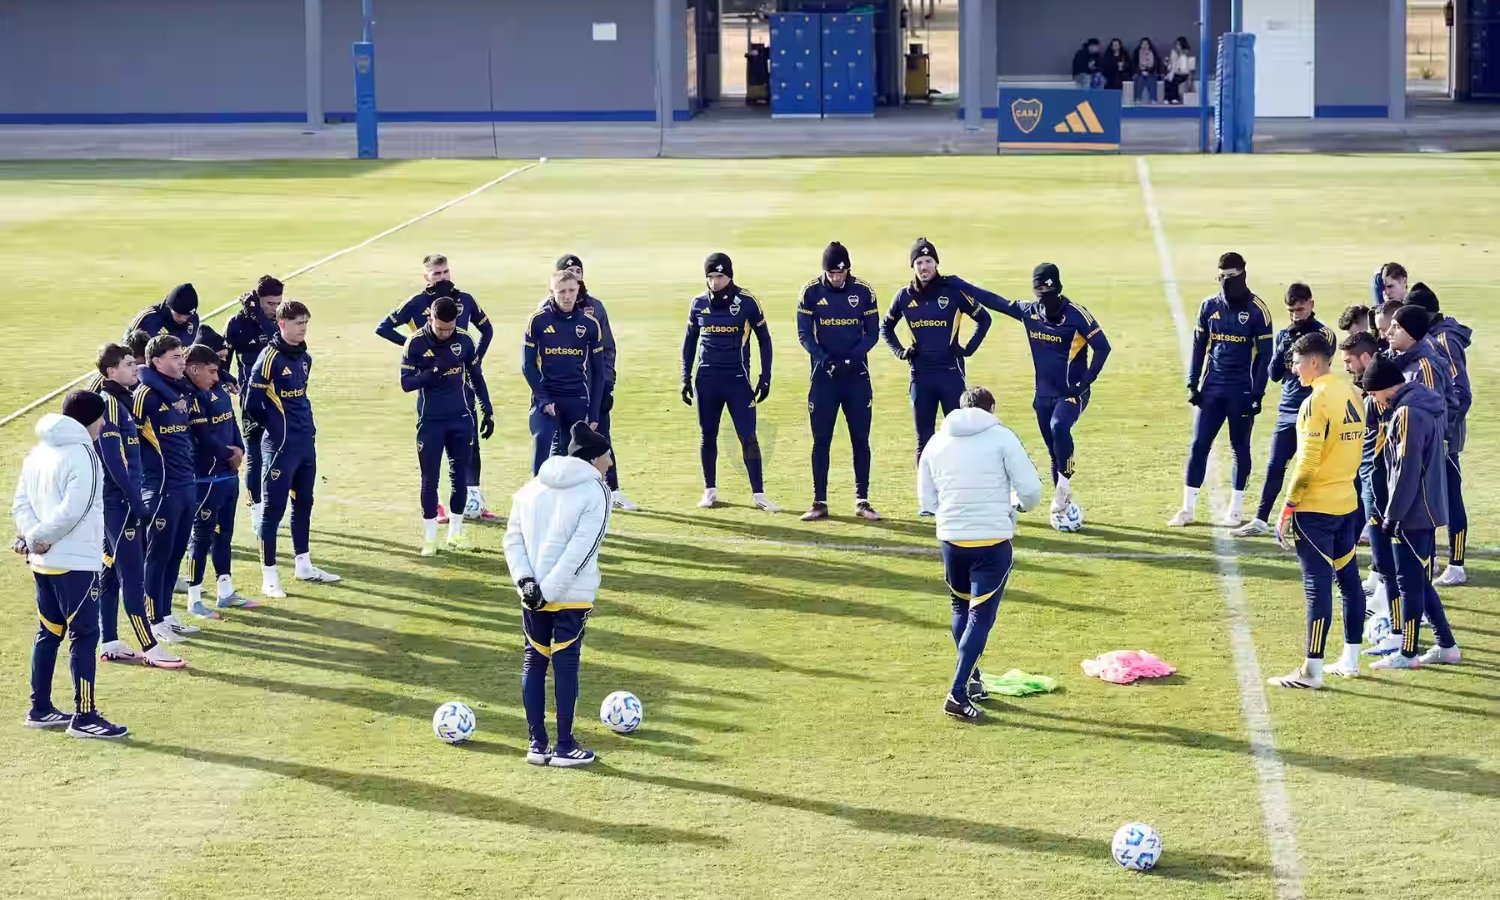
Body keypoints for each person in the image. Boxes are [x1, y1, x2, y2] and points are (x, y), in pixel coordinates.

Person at [917, 387, 1042, 722]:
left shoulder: (937, 441)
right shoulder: (1002, 437)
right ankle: (957, 692)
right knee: (981, 616)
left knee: (960, 607)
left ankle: (972, 680)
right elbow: (1031, 490)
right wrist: (1019, 506)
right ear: (992, 408)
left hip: (951, 540)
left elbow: (926, 499)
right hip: (991, 540)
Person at [12, 391, 128, 737]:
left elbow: (21, 502)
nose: (104, 424)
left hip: (43, 561)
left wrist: (33, 537)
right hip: (74, 561)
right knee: (85, 635)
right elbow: (77, 508)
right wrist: (41, 537)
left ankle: (40, 708)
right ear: (91, 418)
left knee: (48, 633)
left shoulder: (39, 451)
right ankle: (85, 716)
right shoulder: (84, 453)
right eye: (101, 417)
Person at [503, 422, 614, 767]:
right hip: (570, 595)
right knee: (566, 663)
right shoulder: (596, 491)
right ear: (593, 459)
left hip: (532, 594)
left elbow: (512, 539)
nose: (610, 462)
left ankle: (537, 745)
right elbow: (581, 551)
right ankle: (565, 746)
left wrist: (528, 585)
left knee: (534, 661)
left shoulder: (531, 487)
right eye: (607, 456)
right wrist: (548, 592)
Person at [1267, 334, 1369, 688]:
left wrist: (1288, 506)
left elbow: (1307, 463)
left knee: (1317, 585)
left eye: (1296, 363)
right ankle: (1350, 661)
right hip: (1348, 503)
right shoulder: (1351, 391)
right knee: (1349, 581)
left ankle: (1312, 671)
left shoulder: (1316, 402)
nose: (1294, 370)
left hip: (1316, 510)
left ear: (1313, 362)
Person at [975, 263, 1110, 517]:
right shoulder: (1030, 312)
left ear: (1058, 288)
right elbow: (995, 301)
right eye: (1041, 293)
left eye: (1051, 292)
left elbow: (1103, 347)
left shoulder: (1077, 314)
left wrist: (1084, 382)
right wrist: (957, 284)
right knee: (1053, 451)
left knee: (1059, 427)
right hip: (1043, 395)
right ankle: (1063, 503)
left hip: (1072, 392)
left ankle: (1063, 488)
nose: (1046, 298)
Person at [377, 254, 497, 523]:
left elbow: (487, 330)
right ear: (426, 277)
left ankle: (474, 499)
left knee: (470, 442)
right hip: (432, 386)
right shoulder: (416, 303)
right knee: (434, 449)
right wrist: (415, 350)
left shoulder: (464, 299)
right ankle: (439, 505)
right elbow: (383, 328)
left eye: (445, 272)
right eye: (436, 274)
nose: (442, 278)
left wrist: (475, 359)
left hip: (462, 380)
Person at [1360, 356, 1461, 669]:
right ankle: (1447, 646)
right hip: (1424, 507)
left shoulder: (1406, 413)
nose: (1375, 401)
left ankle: (1408, 653)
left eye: (1374, 393)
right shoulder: (1423, 404)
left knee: (1408, 582)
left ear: (1387, 387)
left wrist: (1393, 514)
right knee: (1419, 580)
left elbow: (1406, 468)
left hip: (1412, 511)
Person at [879, 238, 995, 498]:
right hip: (920, 377)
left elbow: (984, 318)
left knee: (959, 435)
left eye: (928, 261)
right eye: (919, 262)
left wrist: (968, 348)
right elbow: (885, 327)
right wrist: (900, 351)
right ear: (913, 266)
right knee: (925, 439)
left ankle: (959, 491)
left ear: (936, 263)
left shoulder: (953, 291)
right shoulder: (904, 296)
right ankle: (928, 497)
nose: (924, 267)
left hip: (951, 374)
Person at [93, 344, 183, 668]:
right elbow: (114, 462)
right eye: (129, 364)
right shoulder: (110, 405)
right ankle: (150, 647)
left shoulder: (122, 401)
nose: (136, 368)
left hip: (119, 501)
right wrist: (136, 502)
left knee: (109, 570)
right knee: (132, 575)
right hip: (119, 503)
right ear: (111, 371)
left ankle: (110, 641)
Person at [1169, 252, 1274, 527]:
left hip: (1242, 391)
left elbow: (1265, 356)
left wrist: (1258, 394)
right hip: (1212, 389)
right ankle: (1187, 509)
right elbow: (1198, 347)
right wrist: (1192, 383)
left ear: (1243, 274)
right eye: (1222, 276)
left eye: (1232, 276)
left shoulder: (1257, 311)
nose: (1226, 281)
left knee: (1240, 448)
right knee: (1198, 445)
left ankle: (1235, 510)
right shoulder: (1209, 306)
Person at [246, 300, 340, 599]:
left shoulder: (304, 358)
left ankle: (304, 565)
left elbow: (299, 398)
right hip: (280, 448)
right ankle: (269, 577)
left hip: (304, 445)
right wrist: (276, 430)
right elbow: (251, 404)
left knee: (304, 504)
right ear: (282, 323)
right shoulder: (269, 358)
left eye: (306, 323)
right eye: (299, 323)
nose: (303, 329)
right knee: (273, 511)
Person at [1236, 284, 1338, 537]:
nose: (1295, 315)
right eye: (1291, 311)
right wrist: (1284, 347)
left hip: (1314, 411)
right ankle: (1260, 519)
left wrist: (1297, 351)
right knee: (1275, 465)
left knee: (1310, 468)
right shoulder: (1284, 334)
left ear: (1311, 304)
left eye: (1300, 309)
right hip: (1287, 410)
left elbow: (1318, 367)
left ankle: (1304, 521)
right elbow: (1273, 374)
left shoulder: (1324, 334)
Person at [681, 252, 778, 511]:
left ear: (730, 276)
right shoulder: (698, 303)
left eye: (720, 277)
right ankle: (709, 491)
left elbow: (765, 339)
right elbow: (690, 342)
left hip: (737, 380)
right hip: (707, 380)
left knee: (748, 436)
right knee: (707, 435)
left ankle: (759, 494)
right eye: (711, 277)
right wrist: (685, 377)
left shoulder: (747, 302)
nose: (715, 282)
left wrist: (765, 377)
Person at [796, 241, 882, 522]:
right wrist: (826, 360)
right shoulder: (810, 292)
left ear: (848, 270)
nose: (836, 278)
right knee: (821, 440)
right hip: (824, 378)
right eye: (831, 273)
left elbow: (872, 333)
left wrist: (850, 359)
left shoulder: (864, 291)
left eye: (841, 273)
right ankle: (819, 502)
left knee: (860, 439)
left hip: (856, 376)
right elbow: (805, 335)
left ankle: (862, 501)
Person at [402, 296, 493, 556]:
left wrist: (487, 408)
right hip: (431, 420)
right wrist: (433, 372)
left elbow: (476, 376)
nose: (445, 333)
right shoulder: (415, 343)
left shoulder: (464, 340)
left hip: (460, 418)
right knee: (429, 479)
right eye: (441, 328)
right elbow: (406, 383)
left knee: (459, 477)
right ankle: (430, 539)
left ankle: (456, 533)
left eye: (450, 328)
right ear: (430, 318)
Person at [554, 254, 637, 512]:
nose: (575, 276)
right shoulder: (546, 311)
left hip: (594, 387)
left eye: (578, 271)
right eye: (569, 272)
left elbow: (608, 349)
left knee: (602, 437)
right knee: (561, 440)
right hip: (564, 390)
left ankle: (612, 491)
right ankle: (559, 493)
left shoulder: (595, 308)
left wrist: (607, 384)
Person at [133, 335, 202, 646]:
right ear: (156, 361)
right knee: (158, 556)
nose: (182, 361)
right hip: (161, 488)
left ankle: (166, 614)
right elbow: (129, 440)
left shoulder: (179, 391)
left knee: (175, 553)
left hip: (186, 483)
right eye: (175, 357)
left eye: (182, 355)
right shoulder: (144, 395)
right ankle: (153, 621)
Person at [1405, 284, 1472, 586]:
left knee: (1450, 494)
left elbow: (1461, 392)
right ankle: (1430, 560)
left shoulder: (1444, 340)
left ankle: (1456, 564)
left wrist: (1443, 432)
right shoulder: (1432, 337)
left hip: (1444, 434)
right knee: (1429, 494)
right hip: (1434, 429)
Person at [184, 344, 252, 617]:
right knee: (201, 539)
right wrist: (229, 454)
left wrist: (240, 450)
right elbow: (202, 437)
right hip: (205, 478)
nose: (216, 376)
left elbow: (232, 422)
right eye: (211, 371)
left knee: (225, 535)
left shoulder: (220, 390)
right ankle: (194, 599)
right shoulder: (191, 397)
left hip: (228, 475)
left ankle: (226, 592)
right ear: (194, 369)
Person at [1340, 332, 1399, 645]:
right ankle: (1383, 605)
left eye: (1349, 361)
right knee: (1385, 557)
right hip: (1373, 482)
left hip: (1382, 487)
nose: (1347, 368)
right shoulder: (1375, 395)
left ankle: (1397, 630)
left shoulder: (1388, 400)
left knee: (1393, 561)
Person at [524, 270, 603, 477]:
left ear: (578, 289)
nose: (567, 297)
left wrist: (594, 413)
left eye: (571, 291)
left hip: (576, 397)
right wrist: (543, 398)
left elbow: (598, 372)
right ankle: (537, 490)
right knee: (542, 438)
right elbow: (528, 365)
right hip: (547, 395)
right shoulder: (538, 321)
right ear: (551, 292)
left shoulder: (589, 324)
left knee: (570, 456)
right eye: (561, 292)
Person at [225, 277, 282, 536]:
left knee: (281, 454)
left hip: (281, 399)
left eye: (278, 303)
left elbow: (276, 340)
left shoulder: (280, 320)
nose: (275, 309)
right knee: (255, 456)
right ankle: (256, 511)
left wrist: (259, 315)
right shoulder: (236, 324)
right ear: (258, 300)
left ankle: (274, 507)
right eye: (270, 304)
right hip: (252, 399)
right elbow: (223, 362)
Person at [124, 283, 200, 346]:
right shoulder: (147, 318)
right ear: (169, 307)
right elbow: (125, 347)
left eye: (187, 316)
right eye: (179, 315)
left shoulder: (193, 319)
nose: (183, 320)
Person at [1165, 37, 1194, 105]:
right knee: (1167, 79)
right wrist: (1168, 63)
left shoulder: (1187, 54)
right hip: (1176, 72)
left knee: (1174, 79)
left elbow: (1188, 67)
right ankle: (1167, 98)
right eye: (1176, 44)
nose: (1177, 46)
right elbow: (1172, 65)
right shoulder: (1174, 53)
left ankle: (1175, 98)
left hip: (1184, 73)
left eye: (1178, 44)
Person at [1132, 38, 1161, 104]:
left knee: (1151, 80)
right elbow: (1134, 64)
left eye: (1146, 44)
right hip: (1139, 72)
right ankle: (1137, 98)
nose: (1145, 46)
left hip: (1151, 72)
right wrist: (1140, 71)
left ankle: (1153, 99)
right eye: (1143, 44)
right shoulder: (1136, 52)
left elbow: (1156, 64)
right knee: (1139, 80)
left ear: (1149, 45)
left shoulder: (1153, 53)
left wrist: (1149, 71)